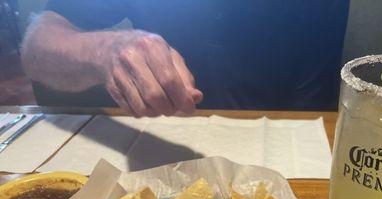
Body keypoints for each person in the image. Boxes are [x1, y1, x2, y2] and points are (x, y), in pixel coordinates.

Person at [21, 0, 349, 117]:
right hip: (160, 138)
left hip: (282, 151)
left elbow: (315, 117)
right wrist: (105, 51)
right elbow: (36, 50)